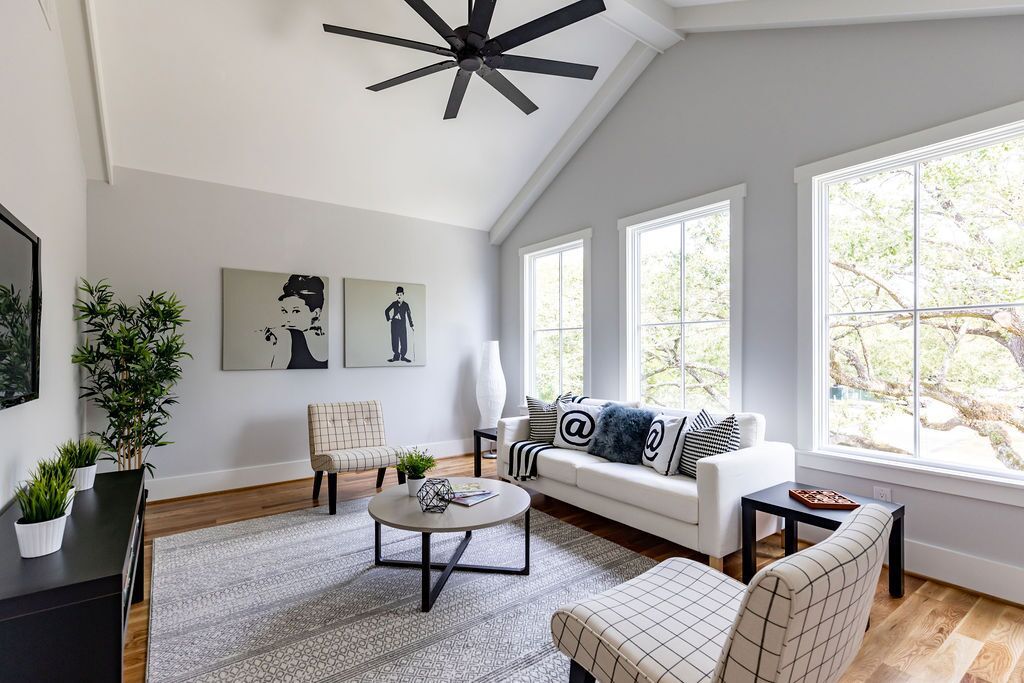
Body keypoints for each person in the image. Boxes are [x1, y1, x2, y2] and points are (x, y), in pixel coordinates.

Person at [261, 274, 327, 369]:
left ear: (316, 313)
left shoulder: (286, 336)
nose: (288, 318)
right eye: (284, 311)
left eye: (296, 311)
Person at [384, 286, 414, 363]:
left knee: (403, 340)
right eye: (398, 295)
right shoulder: (394, 303)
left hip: (402, 326)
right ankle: (396, 356)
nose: (399, 296)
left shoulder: (406, 305)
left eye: (400, 294)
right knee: (394, 340)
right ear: (396, 295)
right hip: (394, 325)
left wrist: (411, 325)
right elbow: (386, 310)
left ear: (403, 294)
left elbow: (409, 315)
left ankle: (403, 356)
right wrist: (389, 318)